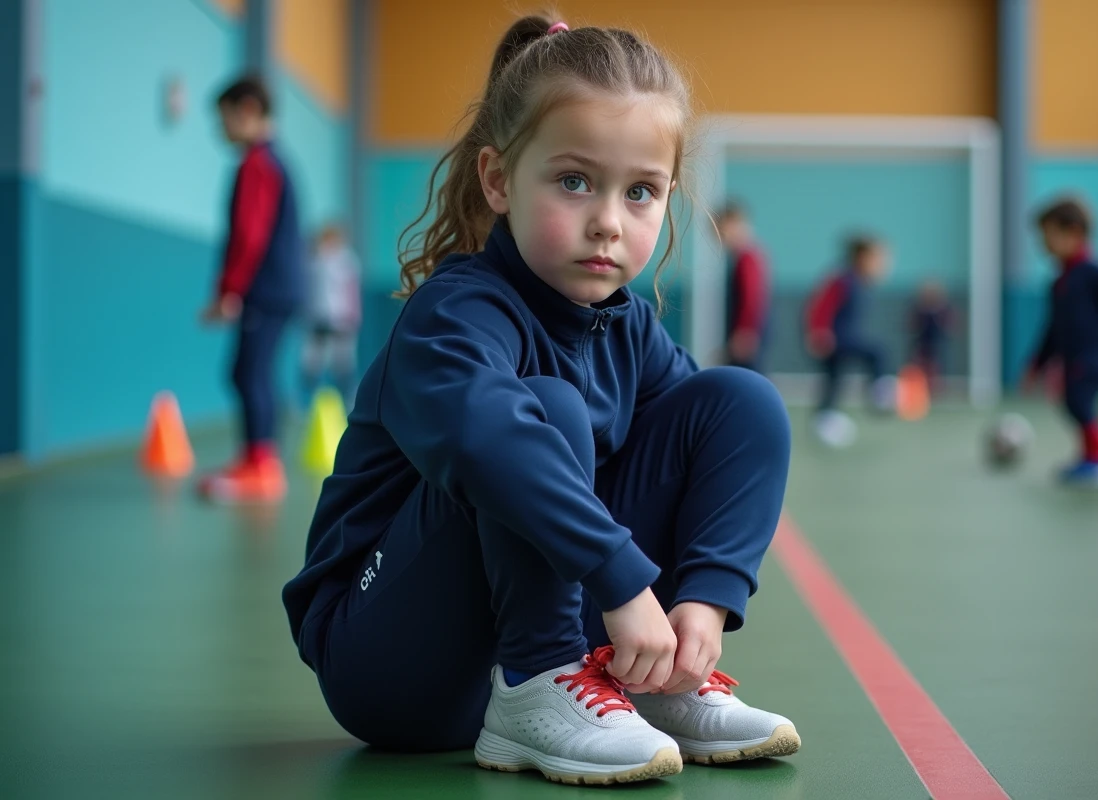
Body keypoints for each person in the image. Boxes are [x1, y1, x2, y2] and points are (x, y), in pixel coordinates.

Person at [280, 16, 799, 786]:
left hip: (553, 651)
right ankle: (538, 681)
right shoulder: (455, 315)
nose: (608, 222)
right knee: (541, 412)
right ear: (499, 181)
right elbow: (487, 438)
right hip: (390, 667)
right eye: (574, 181)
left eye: (641, 192)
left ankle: (657, 681)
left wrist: (703, 603)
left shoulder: (626, 324)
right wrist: (620, 575)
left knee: (740, 400)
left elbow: (718, 442)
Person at [198, 75, 304, 504]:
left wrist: (230, 290)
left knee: (249, 373)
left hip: (267, 290)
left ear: (247, 111)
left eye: (223, 119)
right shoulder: (273, 161)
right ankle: (255, 459)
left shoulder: (258, 164)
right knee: (251, 372)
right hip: (276, 289)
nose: (220, 129)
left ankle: (261, 467)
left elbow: (250, 233)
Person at [1024, 198, 1098, 487]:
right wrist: (1037, 364)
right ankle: (1095, 451)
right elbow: (1052, 329)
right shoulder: (1059, 281)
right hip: (1073, 357)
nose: (1044, 243)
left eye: (1050, 234)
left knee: (1079, 403)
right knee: (1073, 403)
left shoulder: (1097, 271)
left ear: (1074, 232)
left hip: (1095, 357)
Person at [804, 235, 892, 447]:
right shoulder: (842, 280)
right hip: (835, 339)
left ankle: (825, 419)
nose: (881, 264)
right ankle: (879, 396)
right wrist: (818, 331)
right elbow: (820, 306)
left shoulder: (860, 282)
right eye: (877, 258)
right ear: (862, 257)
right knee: (877, 352)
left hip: (842, 339)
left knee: (835, 380)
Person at [301, 223, 362, 408]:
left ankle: (349, 403)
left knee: (343, 365)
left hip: (342, 321)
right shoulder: (313, 261)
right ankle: (309, 405)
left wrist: (352, 318)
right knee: (312, 364)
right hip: (318, 320)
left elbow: (352, 292)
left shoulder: (347, 261)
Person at [715, 201, 772, 372]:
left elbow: (752, 297)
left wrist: (745, 331)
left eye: (720, 230)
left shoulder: (747, 258)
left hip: (747, 334)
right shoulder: (746, 256)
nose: (718, 236)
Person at [909, 280, 952, 393]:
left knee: (934, 368)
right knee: (920, 367)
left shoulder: (941, 310)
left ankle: (934, 389)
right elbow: (912, 325)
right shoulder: (920, 309)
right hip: (922, 344)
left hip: (936, 345)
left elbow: (950, 325)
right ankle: (919, 388)